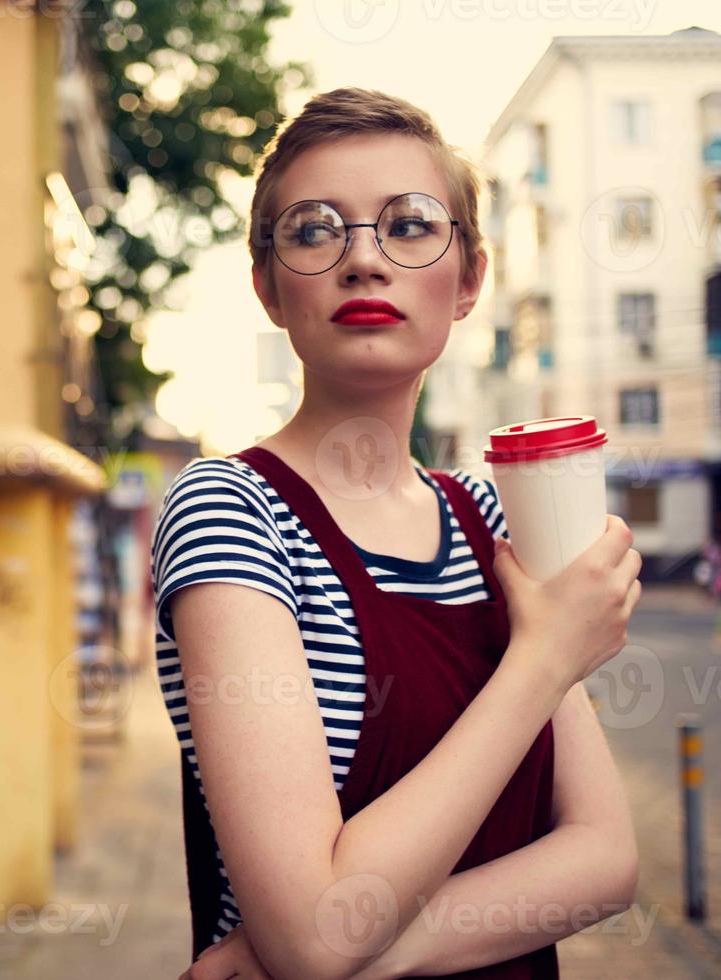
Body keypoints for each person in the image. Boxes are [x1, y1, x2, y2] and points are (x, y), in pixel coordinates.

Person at [151, 88, 642, 980]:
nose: (363, 260)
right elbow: (313, 933)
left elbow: (606, 861)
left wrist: (312, 957)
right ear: (266, 287)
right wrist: (544, 656)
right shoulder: (230, 510)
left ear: (469, 282)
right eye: (313, 230)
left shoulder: (492, 518)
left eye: (410, 226)